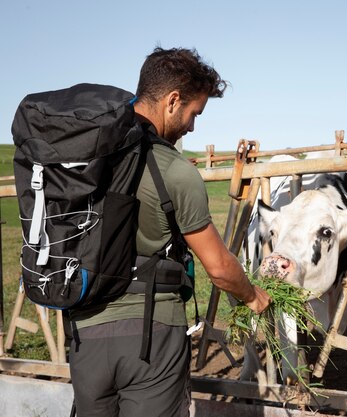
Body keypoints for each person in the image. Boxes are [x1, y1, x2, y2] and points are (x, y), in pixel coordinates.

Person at [68, 47, 271, 417]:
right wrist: (253, 296)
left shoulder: (85, 160)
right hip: (151, 338)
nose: (193, 126)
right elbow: (221, 269)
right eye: (194, 113)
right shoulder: (175, 171)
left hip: (85, 334)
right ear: (173, 101)